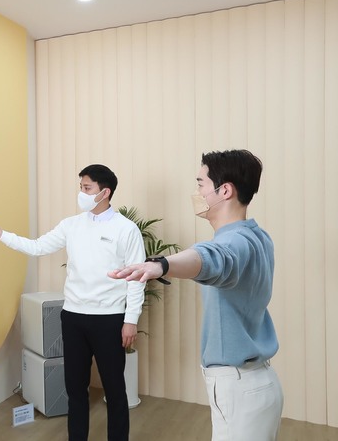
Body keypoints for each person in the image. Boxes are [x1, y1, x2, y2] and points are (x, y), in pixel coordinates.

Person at [108, 149, 283, 441]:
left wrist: (162, 265)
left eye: (201, 184)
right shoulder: (258, 236)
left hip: (239, 389)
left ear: (224, 190)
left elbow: (213, 258)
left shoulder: (234, 242)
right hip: (259, 384)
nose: (197, 192)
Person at [0, 164, 145, 441]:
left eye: (87, 188)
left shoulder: (126, 229)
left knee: (114, 390)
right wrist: (2, 234)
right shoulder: (71, 225)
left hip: (109, 319)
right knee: (75, 389)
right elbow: (37, 247)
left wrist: (130, 320)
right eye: (81, 187)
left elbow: (137, 278)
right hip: (73, 317)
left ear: (105, 192)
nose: (81, 193)